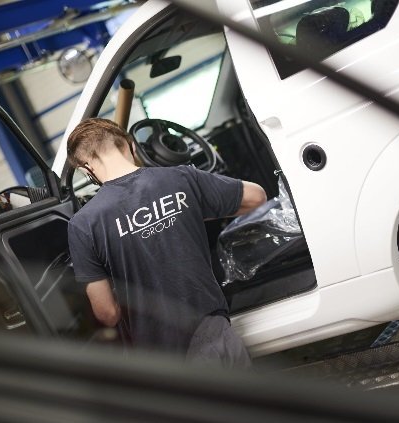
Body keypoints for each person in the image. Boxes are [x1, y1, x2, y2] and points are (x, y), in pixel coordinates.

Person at [66, 118, 266, 368]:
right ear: (130, 145)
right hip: (214, 333)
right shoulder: (182, 178)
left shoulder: (83, 225)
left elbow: (107, 314)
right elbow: (256, 196)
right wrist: (191, 210)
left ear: (86, 168)